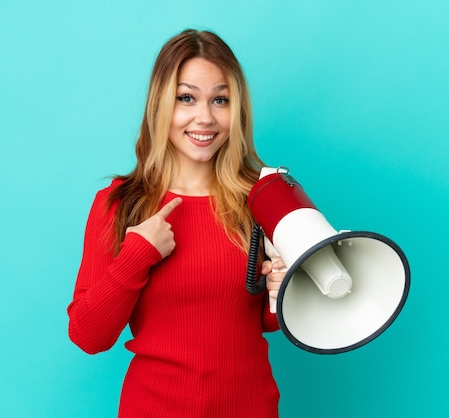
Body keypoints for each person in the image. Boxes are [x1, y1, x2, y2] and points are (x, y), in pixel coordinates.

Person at [67, 29, 286, 417]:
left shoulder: (262, 199)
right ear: (161, 106)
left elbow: (267, 323)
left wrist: (283, 290)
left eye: (220, 100)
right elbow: (88, 335)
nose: (205, 117)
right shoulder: (119, 205)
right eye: (187, 98)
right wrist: (138, 255)